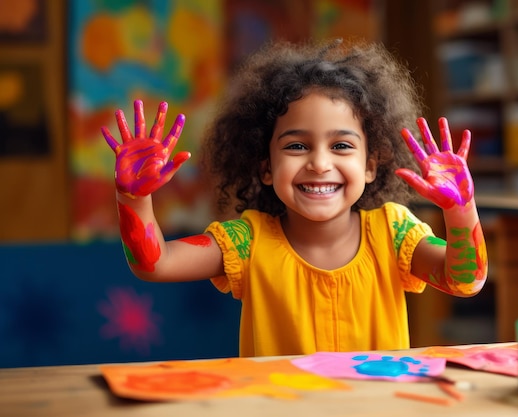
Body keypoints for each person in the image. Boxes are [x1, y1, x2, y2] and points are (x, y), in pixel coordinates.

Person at [102, 39, 488, 357]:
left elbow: (465, 280)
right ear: (265, 167)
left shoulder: (396, 232)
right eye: (297, 145)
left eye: (341, 145)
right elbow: (155, 264)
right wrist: (132, 199)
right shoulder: (247, 241)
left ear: (371, 165)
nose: (320, 164)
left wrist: (460, 209)